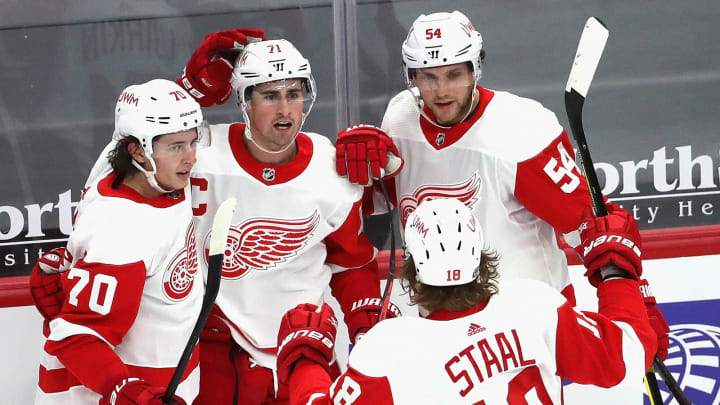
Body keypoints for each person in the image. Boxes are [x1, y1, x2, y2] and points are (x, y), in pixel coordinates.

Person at [60, 31, 393, 404]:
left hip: (299, 352)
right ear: (243, 100)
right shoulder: (196, 155)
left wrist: (368, 328)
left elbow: (351, 264)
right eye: (270, 95)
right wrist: (188, 89)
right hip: (211, 356)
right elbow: (125, 164)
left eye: (293, 94)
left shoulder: (331, 171)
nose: (285, 109)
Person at [333, 10, 669, 358]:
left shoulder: (522, 130)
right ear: (411, 76)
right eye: (428, 77)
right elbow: (385, 201)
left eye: (454, 75)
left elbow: (590, 226)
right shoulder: (400, 117)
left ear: (475, 69)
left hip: (526, 327)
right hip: (441, 323)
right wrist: (352, 172)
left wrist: (640, 300)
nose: (441, 90)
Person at [275, 198, 658, 404]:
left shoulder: (389, 350)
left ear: (411, 271)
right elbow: (629, 355)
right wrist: (616, 272)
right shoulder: (534, 305)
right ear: (480, 256)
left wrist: (305, 360)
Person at [31, 79, 206, 404]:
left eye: (193, 142)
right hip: (132, 389)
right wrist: (124, 390)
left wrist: (195, 81)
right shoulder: (122, 231)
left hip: (170, 378)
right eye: (176, 146)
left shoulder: (141, 173)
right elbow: (75, 337)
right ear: (136, 149)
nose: (191, 157)